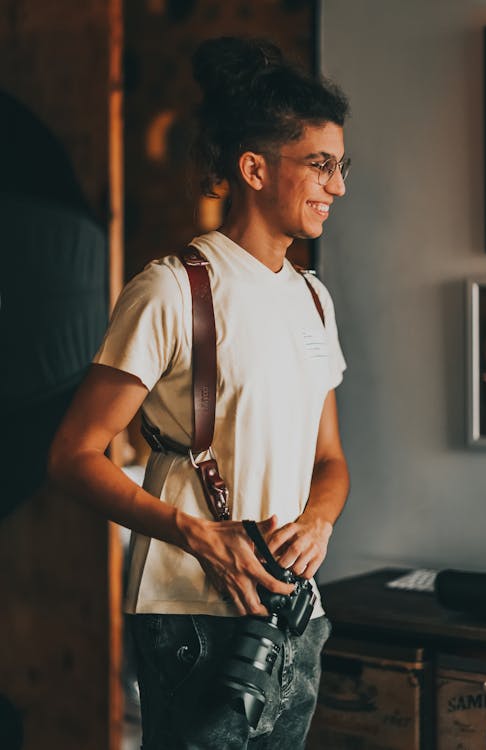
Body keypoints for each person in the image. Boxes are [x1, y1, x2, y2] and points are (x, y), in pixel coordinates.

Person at [49, 36, 351, 749]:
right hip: (190, 613)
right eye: (320, 165)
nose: (338, 186)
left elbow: (330, 458)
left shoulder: (313, 298)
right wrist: (194, 534)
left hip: (293, 614)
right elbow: (72, 456)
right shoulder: (173, 289)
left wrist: (319, 522)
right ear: (253, 168)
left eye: (341, 167)